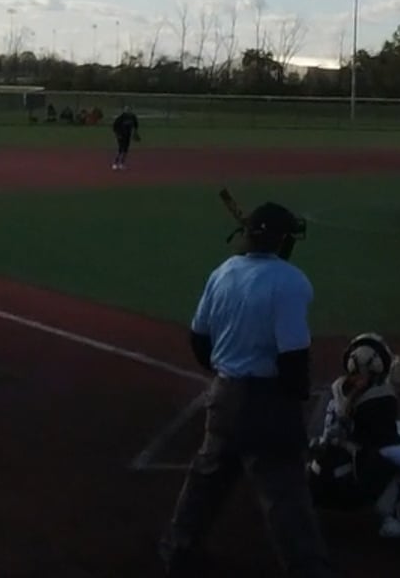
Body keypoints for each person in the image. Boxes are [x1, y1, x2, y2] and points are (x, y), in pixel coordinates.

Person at [158, 200, 334, 577]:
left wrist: (226, 373)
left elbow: (199, 338)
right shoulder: (290, 281)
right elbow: (293, 355)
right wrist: (292, 399)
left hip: (224, 395)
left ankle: (179, 552)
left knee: (206, 478)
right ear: (283, 240)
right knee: (285, 493)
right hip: (268, 400)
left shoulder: (223, 272)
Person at [308, 333, 400, 538]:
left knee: (345, 448)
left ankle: (304, 516)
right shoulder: (381, 399)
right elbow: (389, 448)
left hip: (319, 481)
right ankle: (396, 520)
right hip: (349, 490)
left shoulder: (340, 386)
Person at [112, 105, 140, 170]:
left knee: (125, 151)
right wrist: (117, 134)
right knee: (120, 150)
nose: (127, 110)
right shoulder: (121, 117)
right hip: (121, 136)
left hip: (128, 136)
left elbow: (136, 125)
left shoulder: (132, 117)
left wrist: (135, 133)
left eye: (129, 109)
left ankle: (121, 164)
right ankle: (115, 163)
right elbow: (115, 126)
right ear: (124, 110)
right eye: (126, 109)